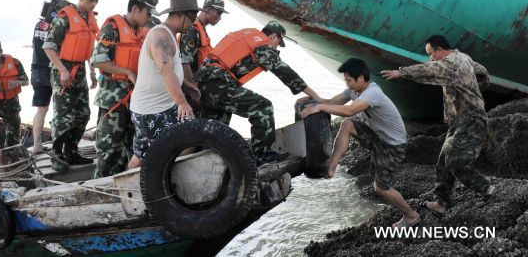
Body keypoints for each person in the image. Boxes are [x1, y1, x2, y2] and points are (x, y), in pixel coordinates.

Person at [381, 35, 494, 217]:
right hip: (458, 121)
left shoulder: (452, 62)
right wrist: (477, 88)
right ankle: (442, 203)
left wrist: (402, 72)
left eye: (431, 53)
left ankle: (485, 188)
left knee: (455, 161)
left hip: (471, 119)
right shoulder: (464, 57)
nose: (430, 58)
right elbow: (483, 72)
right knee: (442, 163)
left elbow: (430, 70)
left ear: (441, 50)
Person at [301, 58, 420, 228]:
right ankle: (331, 167)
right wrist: (313, 101)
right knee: (347, 124)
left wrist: (319, 108)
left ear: (362, 77)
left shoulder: (373, 92)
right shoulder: (353, 91)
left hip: (393, 146)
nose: (347, 84)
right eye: (346, 80)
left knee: (381, 189)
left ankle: (411, 216)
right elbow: (333, 103)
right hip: (377, 137)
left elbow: (350, 110)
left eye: (349, 80)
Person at [194, 21, 323, 166]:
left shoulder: (247, 36)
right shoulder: (262, 45)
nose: (276, 48)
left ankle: (199, 159)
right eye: (278, 44)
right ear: (274, 36)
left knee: (214, 126)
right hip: (219, 84)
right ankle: (263, 155)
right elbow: (285, 73)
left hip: (204, 84)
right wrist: (315, 96)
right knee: (263, 107)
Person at [91, 0, 159, 178]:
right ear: (135, 9)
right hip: (113, 100)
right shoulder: (113, 28)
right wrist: (128, 72)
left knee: (132, 147)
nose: (150, 17)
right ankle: (99, 189)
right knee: (109, 149)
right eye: (148, 13)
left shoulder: (142, 32)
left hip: (135, 100)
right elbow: (97, 61)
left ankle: (125, 185)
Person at [128, 0, 200, 169]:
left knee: (191, 135)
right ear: (180, 15)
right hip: (151, 109)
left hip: (164, 105)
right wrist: (182, 102)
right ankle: (140, 183)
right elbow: (165, 71)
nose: (194, 23)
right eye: (192, 18)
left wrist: (187, 85)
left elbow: (171, 71)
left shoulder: (170, 35)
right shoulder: (161, 36)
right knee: (146, 155)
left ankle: (165, 176)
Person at [43, 0, 100, 171]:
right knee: (63, 117)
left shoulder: (90, 19)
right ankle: (56, 156)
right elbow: (48, 47)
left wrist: (92, 70)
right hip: (63, 69)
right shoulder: (64, 17)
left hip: (80, 69)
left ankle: (72, 152)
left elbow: (90, 46)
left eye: (96, 0)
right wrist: (62, 70)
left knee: (83, 114)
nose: (93, 3)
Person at [30, 0, 70, 154]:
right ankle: (59, 147)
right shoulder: (57, 25)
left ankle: (36, 144)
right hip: (53, 70)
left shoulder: (38, 25)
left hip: (36, 71)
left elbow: (35, 44)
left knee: (41, 110)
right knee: (61, 109)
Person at [179, 0, 229, 114]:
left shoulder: (201, 30)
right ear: (207, 10)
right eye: (218, 13)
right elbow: (184, 61)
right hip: (192, 90)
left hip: (199, 86)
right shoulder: (193, 31)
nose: (220, 18)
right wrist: (192, 87)